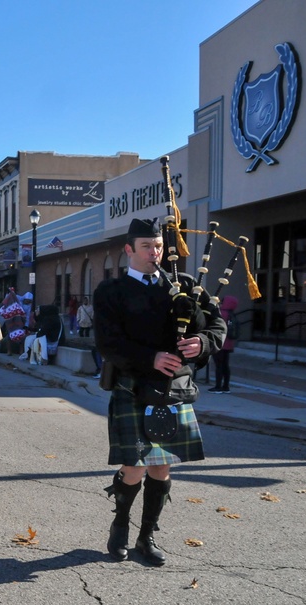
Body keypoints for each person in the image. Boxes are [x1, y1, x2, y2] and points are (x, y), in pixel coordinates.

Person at [93, 218, 225, 566]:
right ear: (129, 250)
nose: (156, 253)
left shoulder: (184, 284)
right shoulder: (111, 291)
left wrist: (204, 342)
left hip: (174, 388)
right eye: (147, 247)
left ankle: (146, 537)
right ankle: (120, 525)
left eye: (159, 246)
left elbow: (217, 323)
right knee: (134, 466)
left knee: (161, 468)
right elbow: (108, 342)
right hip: (133, 386)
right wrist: (150, 357)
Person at [209, 295, 239, 394]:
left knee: (218, 365)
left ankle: (218, 386)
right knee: (225, 365)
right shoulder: (231, 314)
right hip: (229, 343)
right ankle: (226, 386)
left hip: (219, 342)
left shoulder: (221, 313)